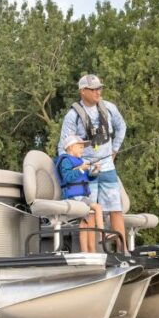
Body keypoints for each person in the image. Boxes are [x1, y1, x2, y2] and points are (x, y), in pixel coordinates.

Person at [58, 74, 127, 250]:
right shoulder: (72, 116)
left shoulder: (109, 108)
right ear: (83, 91)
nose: (98, 92)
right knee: (89, 211)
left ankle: (123, 251)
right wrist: (72, 168)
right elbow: (63, 147)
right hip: (86, 169)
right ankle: (93, 253)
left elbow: (122, 127)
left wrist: (114, 151)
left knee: (115, 208)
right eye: (93, 89)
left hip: (108, 167)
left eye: (99, 88)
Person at [56, 136, 105, 252]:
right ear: (70, 148)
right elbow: (67, 177)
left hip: (83, 196)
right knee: (95, 210)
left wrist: (95, 171)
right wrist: (81, 169)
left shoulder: (81, 161)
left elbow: (88, 177)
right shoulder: (66, 161)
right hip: (74, 197)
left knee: (88, 220)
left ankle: (90, 251)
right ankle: (103, 235)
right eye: (80, 147)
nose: (83, 150)